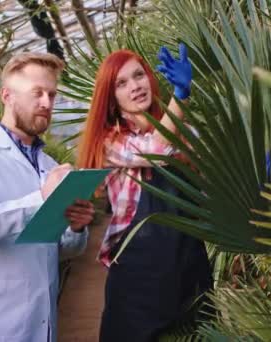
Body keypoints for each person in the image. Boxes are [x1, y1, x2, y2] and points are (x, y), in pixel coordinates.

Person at [0, 52, 95, 342]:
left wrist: (76, 227)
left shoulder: (49, 166)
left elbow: (59, 248)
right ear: (7, 96)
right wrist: (42, 198)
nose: (47, 103)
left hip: (44, 320)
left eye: (51, 95)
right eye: (37, 93)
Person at [76, 45, 213, 341]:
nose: (135, 86)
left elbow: (211, 176)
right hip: (138, 272)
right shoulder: (110, 141)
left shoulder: (184, 131)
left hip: (189, 263)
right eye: (121, 83)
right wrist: (181, 96)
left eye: (139, 76)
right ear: (111, 99)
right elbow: (155, 151)